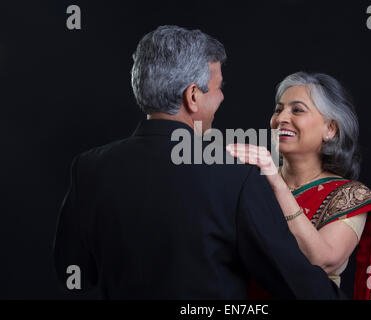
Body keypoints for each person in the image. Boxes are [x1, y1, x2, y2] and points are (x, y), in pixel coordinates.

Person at [53, 26, 345, 299]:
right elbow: (293, 282)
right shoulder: (238, 176)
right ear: (193, 96)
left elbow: (70, 271)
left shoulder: (87, 168)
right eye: (217, 87)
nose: (220, 97)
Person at [227, 72, 371, 300]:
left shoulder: (350, 196)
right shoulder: (251, 182)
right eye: (278, 110)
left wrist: (276, 182)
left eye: (297, 110)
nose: (280, 119)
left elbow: (321, 261)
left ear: (330, 129)